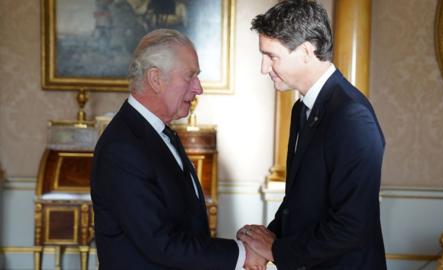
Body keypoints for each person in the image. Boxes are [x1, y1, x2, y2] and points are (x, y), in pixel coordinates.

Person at [91, 29, 264, 269]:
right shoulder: (123, 147)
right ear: (155, 79)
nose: (199, 88)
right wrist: (242, 254)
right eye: (190, 76)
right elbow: (161, 243)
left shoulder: (158, 133)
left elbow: (183, 225)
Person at [238, 1, 387, 269]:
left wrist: (275, 249)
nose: (263, 68)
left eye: (272, 56)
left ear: (306, 51)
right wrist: (264, 238)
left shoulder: (351, 116)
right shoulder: (301, 109)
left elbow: (351, 226)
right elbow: (299, 200)